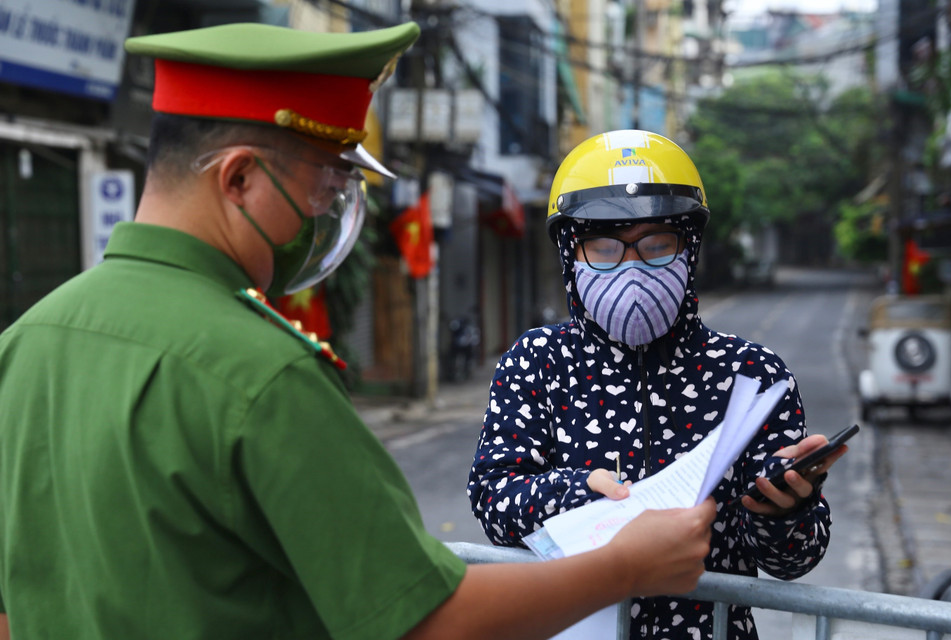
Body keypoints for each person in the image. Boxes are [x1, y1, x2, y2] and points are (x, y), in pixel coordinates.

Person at [0, 25, 717, 640]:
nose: (324, 217)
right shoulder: (258, 373)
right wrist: (627, 566)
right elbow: (424, 620)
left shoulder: (26, 342)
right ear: (240, 178)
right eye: (323, 188)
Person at [467, 129, 849, 639]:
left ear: (688, 248)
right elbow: (493, 500)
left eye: (655, 243)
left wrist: (786, 508)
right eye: (603, 246)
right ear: (569, 253)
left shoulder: (752, 374)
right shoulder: (538, 361)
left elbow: (793, 562)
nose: (631, 266)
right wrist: (576, 493)